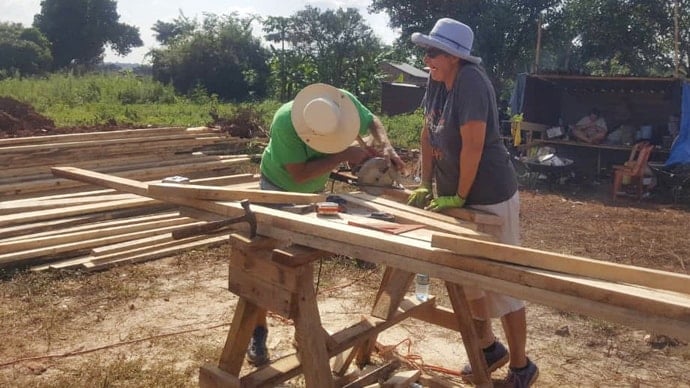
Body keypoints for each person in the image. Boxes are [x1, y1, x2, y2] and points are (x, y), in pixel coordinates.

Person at [407, 18, 538, 386]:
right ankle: (487, 346)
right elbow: (427, 131)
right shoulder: (437, 82)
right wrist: (425, 183)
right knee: (468, 281)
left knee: (503, 283)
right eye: (427, 52)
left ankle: (521, 365)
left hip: (490, 197)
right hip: (455, 198)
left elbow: (474, 145)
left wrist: (460, 195)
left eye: (432, 52)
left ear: (453, 56)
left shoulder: (471, 83)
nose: (427, 58)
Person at [247, 82, 404, 366]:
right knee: (265, 264)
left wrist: (384, 144)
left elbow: (373, 121)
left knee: (301, 264)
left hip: (313, 193)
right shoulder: (285, 123)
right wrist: (343, 156)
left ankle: (303, 331)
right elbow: (298, 175)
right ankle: (257, 330)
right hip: (277, 189)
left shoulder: (343, 104)